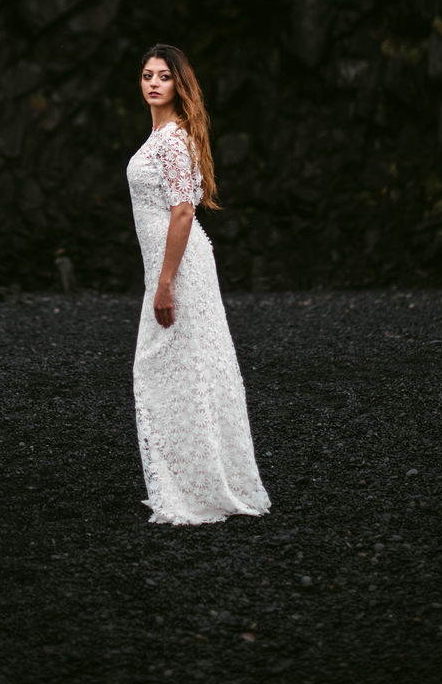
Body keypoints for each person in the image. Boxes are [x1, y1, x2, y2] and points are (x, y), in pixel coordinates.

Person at [127, 43, 271, 525]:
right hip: (169, 268)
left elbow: (183, 210)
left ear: (178, 84)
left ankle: (199, 486)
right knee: (183, 367)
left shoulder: (172, 140)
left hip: (180, 270)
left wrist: (165, 283)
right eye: (147, 75)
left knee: (169, 367)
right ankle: (195, 481)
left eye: (163, 76)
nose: (152, 83)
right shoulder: (162, 135)